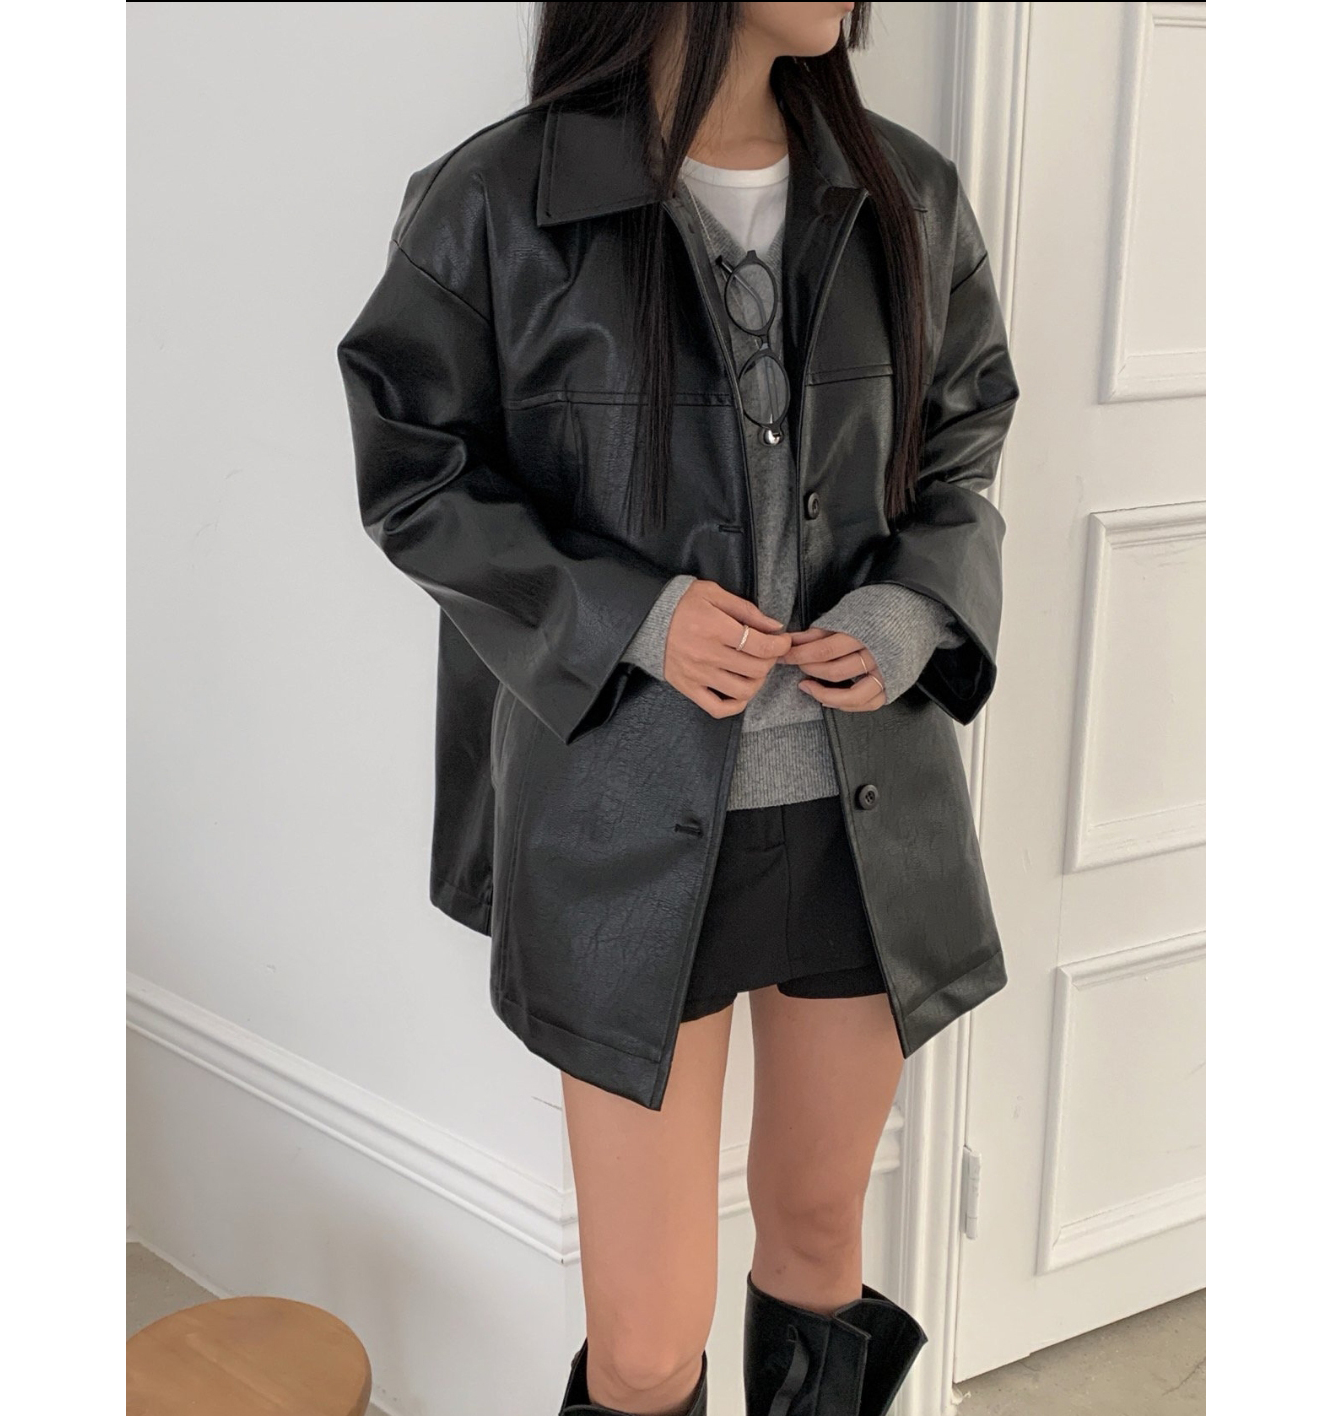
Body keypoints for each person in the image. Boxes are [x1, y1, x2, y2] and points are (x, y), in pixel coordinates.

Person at [338, 3, 1019, 1412]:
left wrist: (913, 608)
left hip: (862, 822)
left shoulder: (903, 191)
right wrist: (633, 617)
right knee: (648, 1346)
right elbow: (419, 478)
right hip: (625, 833)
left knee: (820, 1243)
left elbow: (964, 439)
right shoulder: (500, 199)